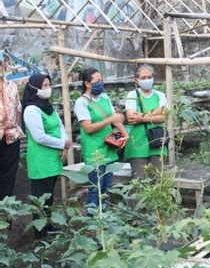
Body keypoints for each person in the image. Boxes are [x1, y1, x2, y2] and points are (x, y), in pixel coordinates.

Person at [73, 68, 128, 212]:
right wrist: (110, 119)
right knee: (95, 188)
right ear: (87, 83)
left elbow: (114, 119)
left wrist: (124, 134)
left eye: (101, 80)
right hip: (94, 150)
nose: (100, 83)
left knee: (106, 187)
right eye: (97, 81)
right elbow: (89, 128)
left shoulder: (104, 98)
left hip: (108, 147)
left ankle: (104, 218)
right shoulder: (81, 102)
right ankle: (92, 222)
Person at [23, 73, 70, 238]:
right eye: (44, 85)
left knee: (48, 195)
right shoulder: (31, 109)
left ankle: (48, 226)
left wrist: (65, 141)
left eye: (48, 84)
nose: (47, 88)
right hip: (40, 159)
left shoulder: (48, 107)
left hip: (53, 158)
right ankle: (39, 233)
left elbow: (60, 126)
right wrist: (62, 144)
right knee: (39, 198)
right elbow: (39, 137)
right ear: (34, 88)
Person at [124, 65, 168, 178]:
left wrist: (142, 117)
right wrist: (155, 113)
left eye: (149, 77)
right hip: (138, 143)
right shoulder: (132, 95)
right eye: (143, 78)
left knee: (159, 179)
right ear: (136, 80)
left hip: (157, 142)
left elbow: (164, 116)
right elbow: (132, 118)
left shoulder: (160, 95)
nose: (146, 80)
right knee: (139, 180)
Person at [0, 69, 24, 200]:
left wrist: (14, 127)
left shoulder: (12, 86)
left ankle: (6, 216)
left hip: (11, 137)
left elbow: (18, 109)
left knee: (8, 179)